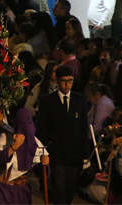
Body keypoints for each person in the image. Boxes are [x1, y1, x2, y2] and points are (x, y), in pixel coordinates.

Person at [35, 66, 90, 205]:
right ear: (58, 81)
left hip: (75, 154)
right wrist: (43, 151)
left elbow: (84, 129)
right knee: (59, 189)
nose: (67, 85)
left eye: (70, 81)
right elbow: (43, 129)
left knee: (70, 190)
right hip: (57, 153)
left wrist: (85, 155)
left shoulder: (80, 100)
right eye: (64, 81)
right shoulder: (47, 101)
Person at [0, 108, 46, 204]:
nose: (26, 127)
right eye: (22, 123)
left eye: (29, 123)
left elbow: (41, 172)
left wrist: (44, 163)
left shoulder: (35, 142)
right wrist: (14, 147)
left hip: (23, 191)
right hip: (4, 190)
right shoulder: (6, 137)